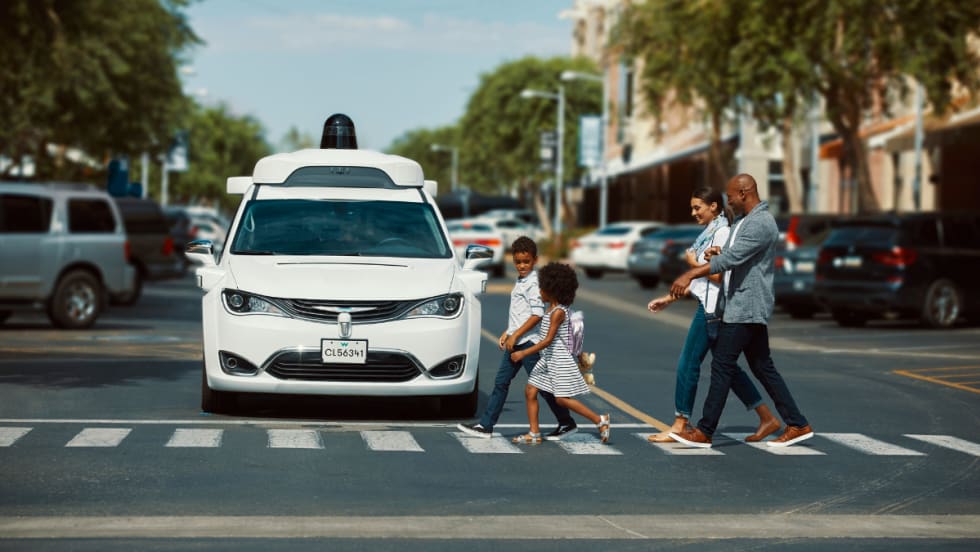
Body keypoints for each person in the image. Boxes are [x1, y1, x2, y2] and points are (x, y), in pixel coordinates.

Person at [668, 174, 813, 448]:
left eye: (731, 195)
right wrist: (717, 254)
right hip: (744, 304)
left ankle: (704, 430)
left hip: (746, 305)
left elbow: (733, 259)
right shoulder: (748, 222)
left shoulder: (761, 222)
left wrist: (690, 274)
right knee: (762, 366)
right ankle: (797, 423)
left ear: (745, 192)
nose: (728, 200)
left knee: (722, 365)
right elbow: (735, 255)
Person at [646, 187, 780, 443]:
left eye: (698, 207)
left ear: (714, 207)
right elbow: (700, 282)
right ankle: (767, 417)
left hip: (713, 309)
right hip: (708, 305)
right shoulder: (710, 232)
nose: (693, 212)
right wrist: (667, 299)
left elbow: (720, 276)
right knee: (726, 367)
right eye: (692, 208)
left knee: (688, 363)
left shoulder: (722, 232)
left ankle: (680, 423)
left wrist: (693, 265)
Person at [457, 237, 577, 440]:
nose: (522, 266)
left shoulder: (533, 283)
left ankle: (566, 422)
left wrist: (517, 334)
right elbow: (520, 313)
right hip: (517, 340)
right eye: (518, 262)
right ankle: (486, 426)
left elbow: (536, 314)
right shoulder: (522, 280)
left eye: (526, 262)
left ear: (535, 260)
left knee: (543, 388)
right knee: (501, 383)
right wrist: (508, 331)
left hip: (528, 343)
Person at [510, 262, 610, 445]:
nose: (539, 291)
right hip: (547, 359)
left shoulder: (558, 312)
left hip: (558, 360)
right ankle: (534, 433)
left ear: (552, 290)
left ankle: (599, 419)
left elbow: (547, 340)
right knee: (530, 391)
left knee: (562, 399)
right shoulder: (551, 310)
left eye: (542, 288)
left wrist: (523, 353)